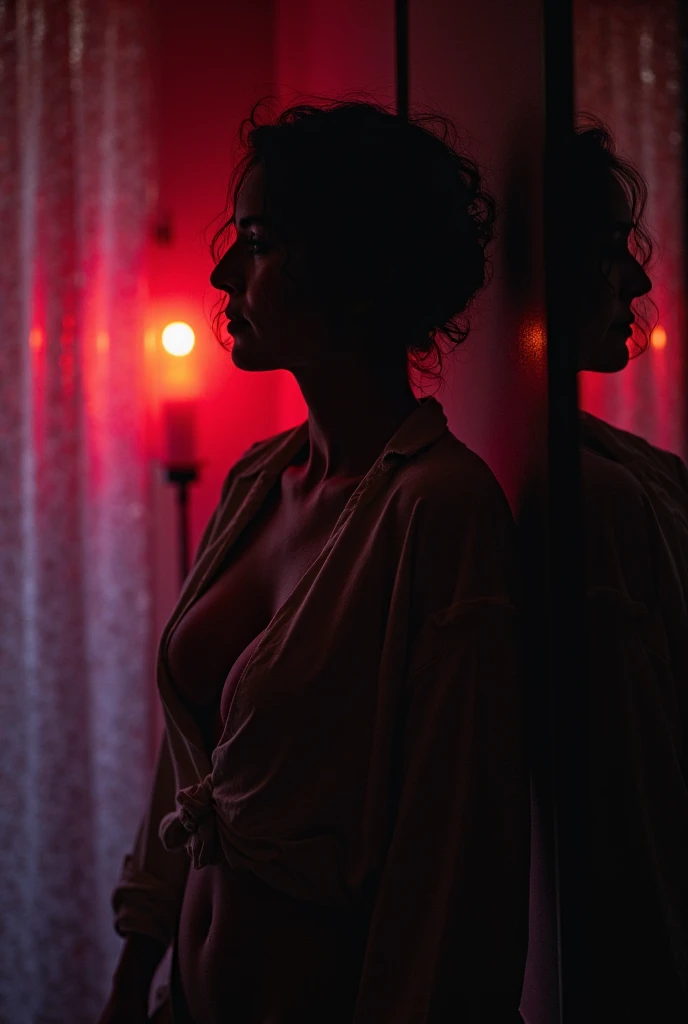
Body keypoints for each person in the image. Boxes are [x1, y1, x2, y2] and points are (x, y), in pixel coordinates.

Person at [97, 99, 530, 1024]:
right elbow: (191, 772)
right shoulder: (261, 477)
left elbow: (453, 865)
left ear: (356, 273)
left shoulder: (439, 513)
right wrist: (135, 973)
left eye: (256, 243)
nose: (220, 273)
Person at [522, 118, 688, 1023]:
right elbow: (638, 819)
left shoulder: (641, 482)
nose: (639, 280)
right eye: (606, 250)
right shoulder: (600, 498)